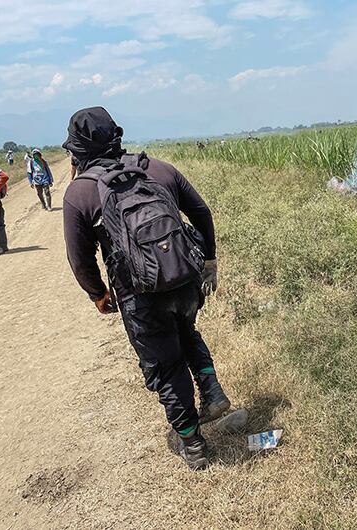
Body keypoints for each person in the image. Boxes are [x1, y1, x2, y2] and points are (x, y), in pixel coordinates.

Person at [62, 107, 228, 471]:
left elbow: (79, 257)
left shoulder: (80, 192)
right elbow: (201, 213)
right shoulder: (158, 168)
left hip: (138, 294)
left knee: (165, 364)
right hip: (185, 279)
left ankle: (193, 443)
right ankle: (212, 389)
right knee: (186, 330)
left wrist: (98, 293)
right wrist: (209, 263)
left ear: (78, 150)